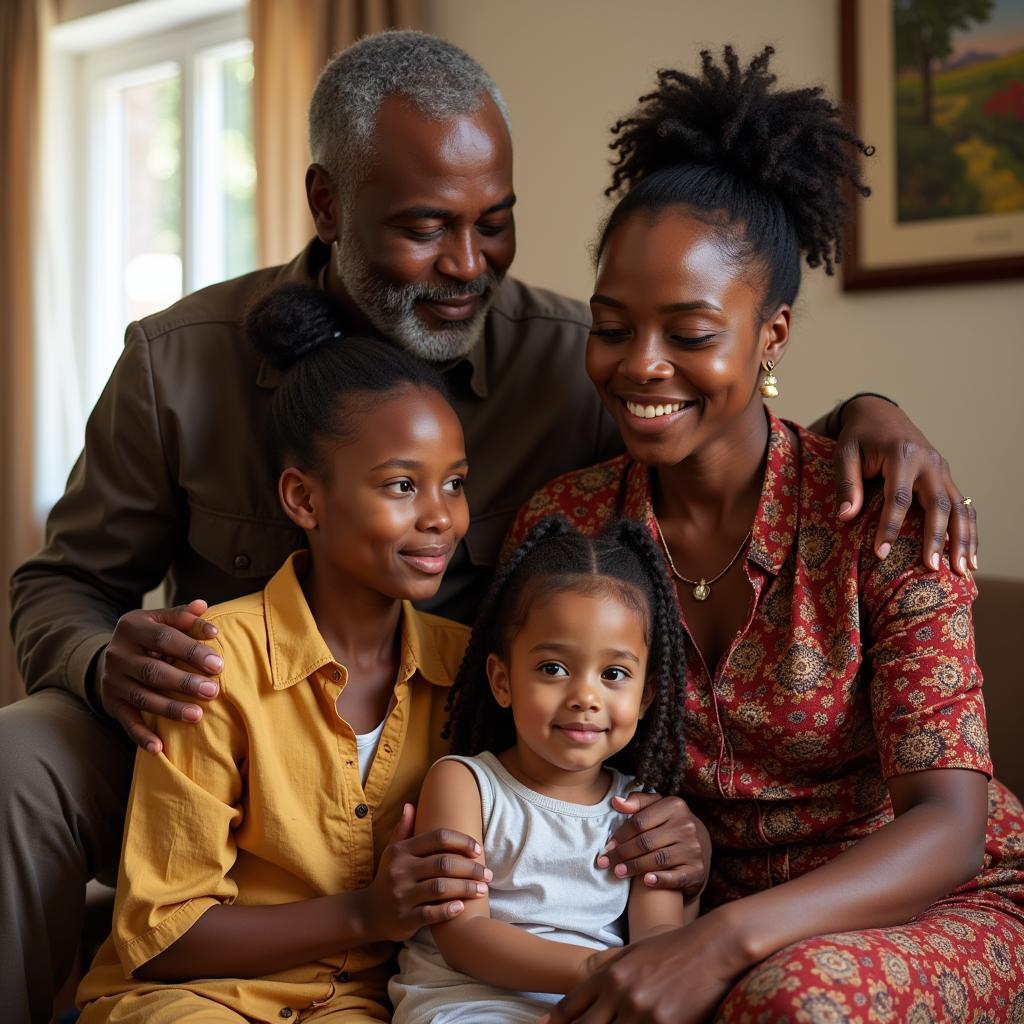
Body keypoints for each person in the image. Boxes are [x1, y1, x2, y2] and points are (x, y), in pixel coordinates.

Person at [1, 30, 978, 1022]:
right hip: (226, 744)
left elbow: (720, 429)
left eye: (495, 224)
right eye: (425, 227)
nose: (468, 264)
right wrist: (99, 663)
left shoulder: (565, 364)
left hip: (444, 775)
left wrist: (868, 413)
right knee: (21, 757)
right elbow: (59, 584)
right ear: (329, 204)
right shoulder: (179, 364)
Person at [504, 47, 1024, 1024]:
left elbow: (949, 826)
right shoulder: (565, 524)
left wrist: (718, 943)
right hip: (689, 904)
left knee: (796, 999)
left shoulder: (880, 512)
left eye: (690, 334)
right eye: (612, 327)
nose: (640, 366)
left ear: (771, 336)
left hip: (926, 903)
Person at [388, 516, 694, 1023]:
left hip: (594, 1006)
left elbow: (659, 940)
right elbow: (464, 936)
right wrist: (599, 967)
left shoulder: (642, 813)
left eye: (614, 674)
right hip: (468, 1004)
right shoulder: (466, 784)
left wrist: (640, 975)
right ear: (502, 680)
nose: (585, 698)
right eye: (553, 669)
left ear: (646, 698)